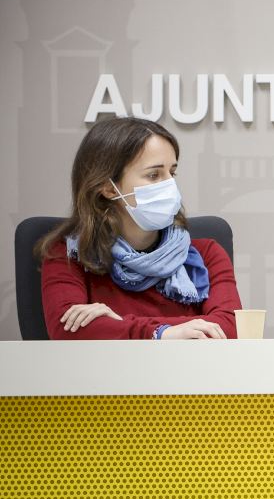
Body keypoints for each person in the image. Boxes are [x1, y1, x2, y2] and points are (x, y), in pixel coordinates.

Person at [38, 117, 241, 339]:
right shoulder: (69, 254)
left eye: (172, 173)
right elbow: (67, 331)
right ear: (109, 188)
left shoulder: (207, 255)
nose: (169, 185)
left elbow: (229, 327)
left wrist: (118, 324)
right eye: (153, 175)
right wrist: (162, 333)